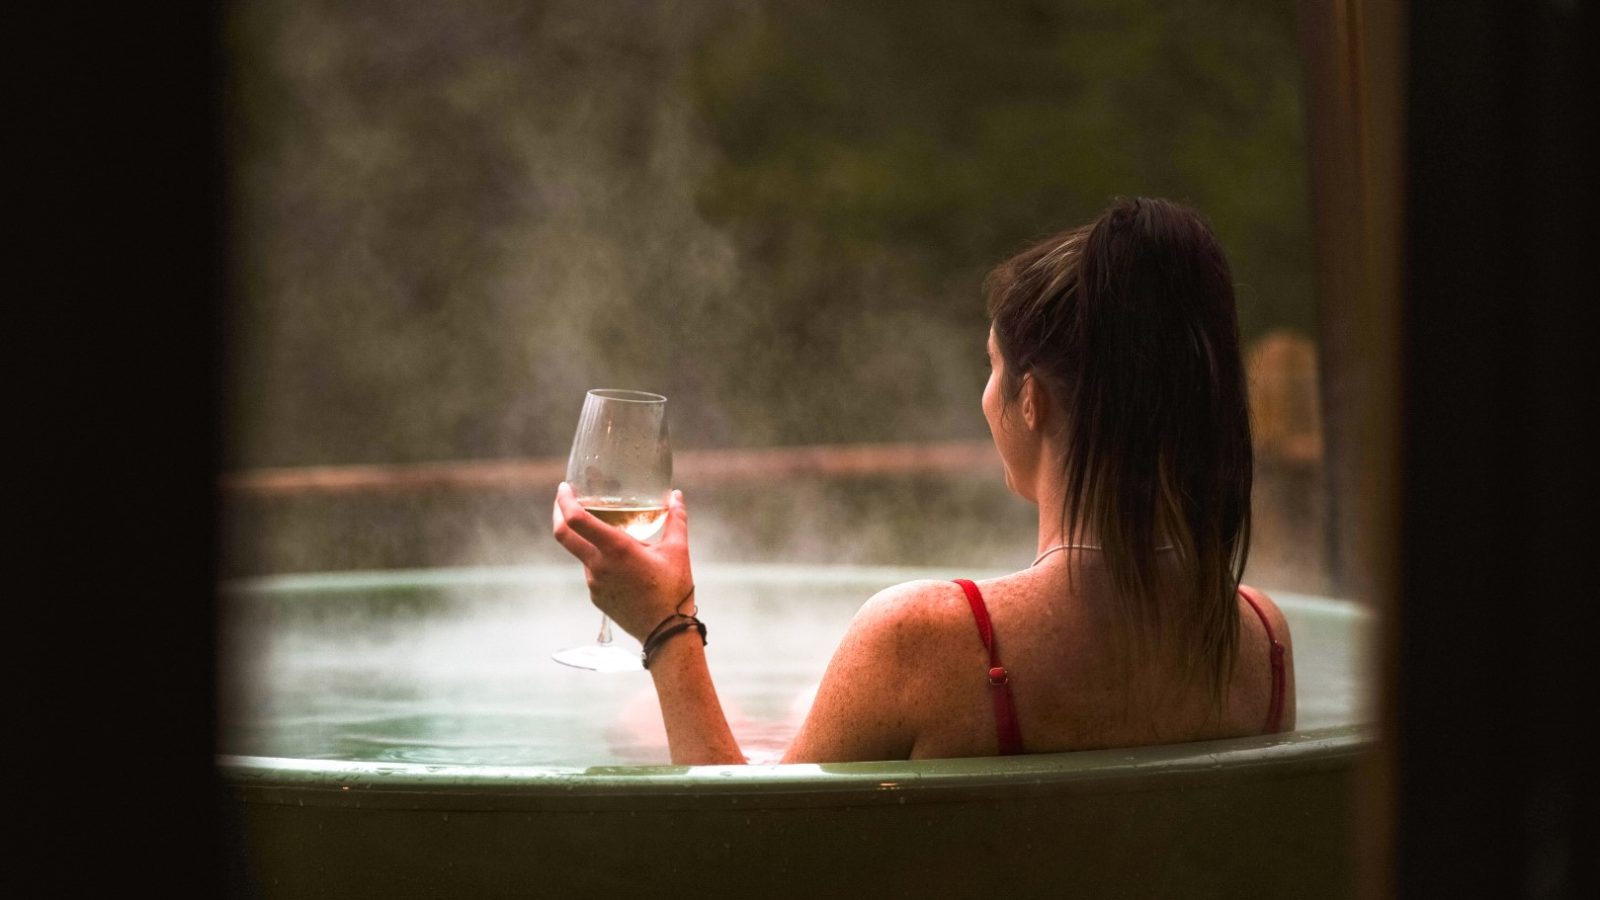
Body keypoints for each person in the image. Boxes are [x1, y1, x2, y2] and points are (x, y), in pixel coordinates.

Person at [551, 196, 1295, 765]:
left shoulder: (929, 641)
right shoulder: (1261, 643)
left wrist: (666, 629)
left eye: (992, 365)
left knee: (646, 730)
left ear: (1030, 400)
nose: (987, 394)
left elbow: (742, 860)